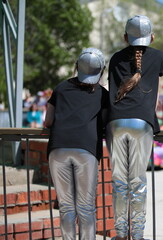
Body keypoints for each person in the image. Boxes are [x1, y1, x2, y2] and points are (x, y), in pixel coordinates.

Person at [105, 15, 163, 240]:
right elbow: (156, 95)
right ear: (152, 36)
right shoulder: (159, 56)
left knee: (120, 182)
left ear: (125, 37)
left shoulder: (114, 58)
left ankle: (121, 235)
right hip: (142, 122)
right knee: (138, 182)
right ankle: (138, 235)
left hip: (115, 122)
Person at [44, 48, 107, 240]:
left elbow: (48, 121)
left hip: (58, 148)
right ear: (101, 70)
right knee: (86, 207)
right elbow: (104, 124)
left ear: (76, 67)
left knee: (66, 207)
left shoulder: (60, 88)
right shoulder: (102, 94)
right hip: (86, 149)